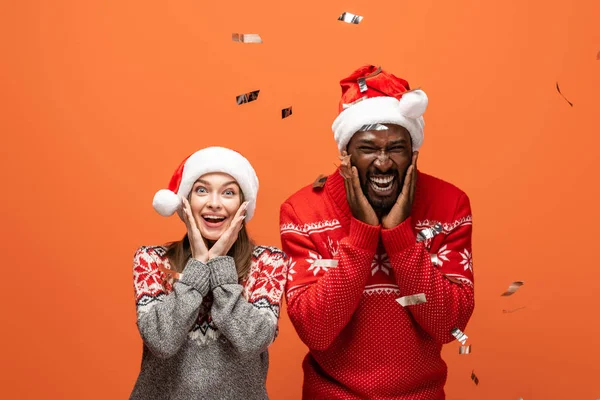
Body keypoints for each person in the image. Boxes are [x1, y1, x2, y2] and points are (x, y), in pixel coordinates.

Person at [280, 65, 474, 399]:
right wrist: (363, 234)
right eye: (368, 148)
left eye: (396, 148)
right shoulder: (302, 210)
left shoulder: (449, 205)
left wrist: (400, 235)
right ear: (345, 154)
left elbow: (447, 327)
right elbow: (316, 331)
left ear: (413, 153)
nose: (383, 163)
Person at [131, 146, 288, 400]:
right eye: (201, 190)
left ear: (243, 205)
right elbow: (161, 341)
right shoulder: (152, 259)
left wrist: (219, 267)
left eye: (228, 192)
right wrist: (199, 267)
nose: (214, 203)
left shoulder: (269, 262)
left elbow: (253, 341)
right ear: (185, 202)